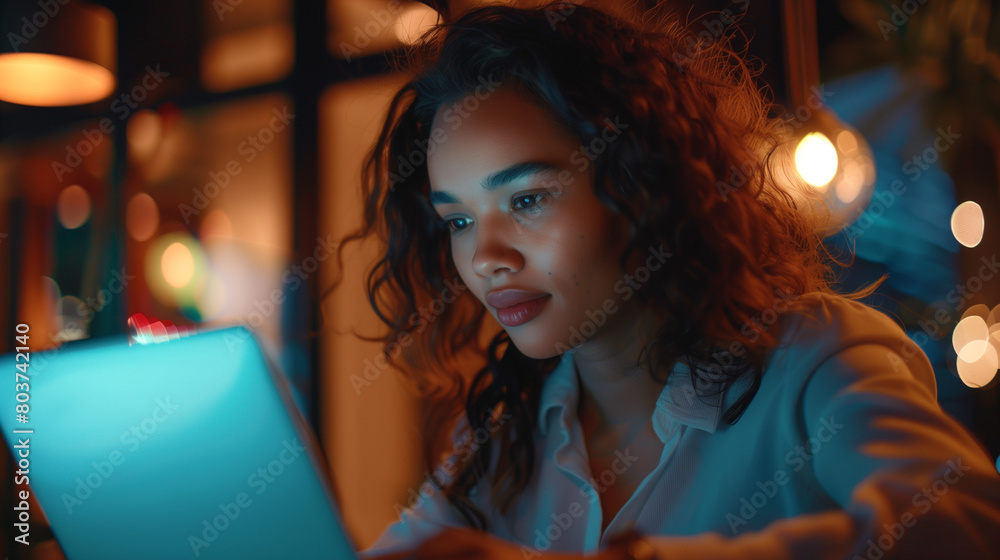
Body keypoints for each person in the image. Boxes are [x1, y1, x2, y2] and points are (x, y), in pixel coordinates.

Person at [333, 2, 1000, 558]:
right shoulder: (501, 440)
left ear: (642, 186)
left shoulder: (816, 358)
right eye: (458, 221)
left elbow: (966, 528)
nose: (485, 257)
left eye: (528, 199)